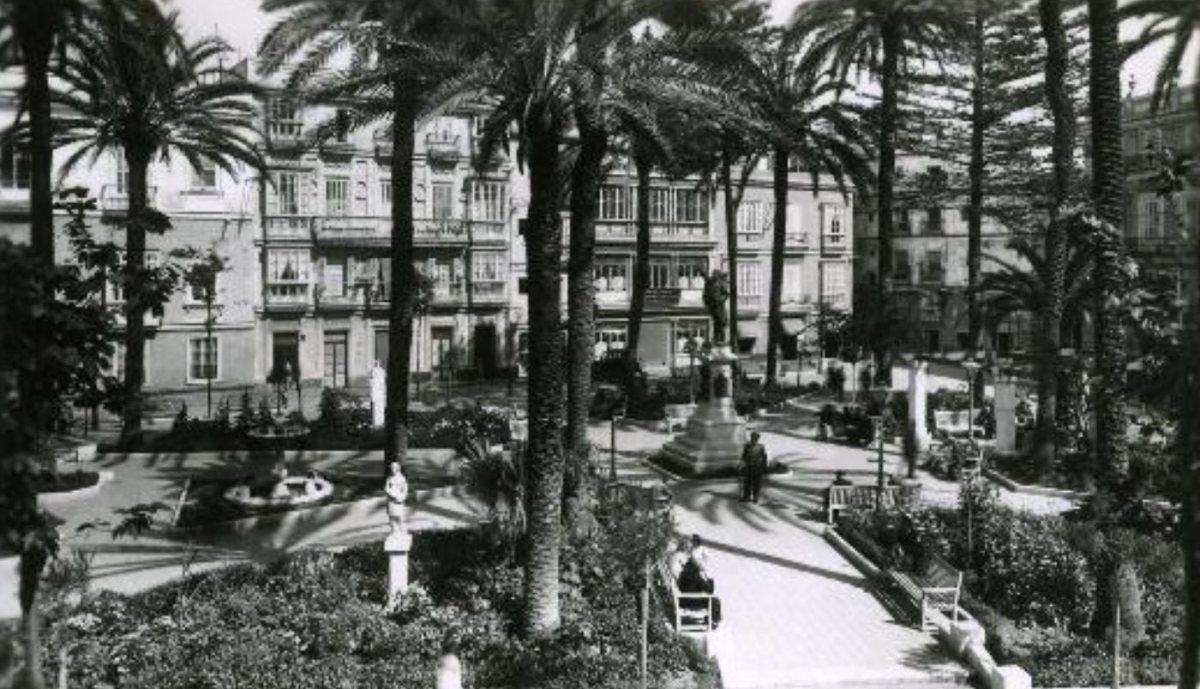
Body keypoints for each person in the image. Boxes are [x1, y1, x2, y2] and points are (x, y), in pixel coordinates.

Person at [677, 534, 721, 628]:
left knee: (710, 596)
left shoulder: (685, 568)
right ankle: (714, 621)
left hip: (685, 595)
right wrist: (710, 582)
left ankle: (712, 618)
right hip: (689, 600)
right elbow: (708, 589)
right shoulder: (691, 571)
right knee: (715, 601)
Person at [740, 431, 768, 503]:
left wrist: (763, 467)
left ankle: (756, 497)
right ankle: (746, 496)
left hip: (757, 467)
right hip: (748, 467)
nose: (754, 439)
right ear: (751, 438)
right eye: (753, 438)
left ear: (758, 439)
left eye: (756, 438)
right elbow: (744, 456)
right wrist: (742, 465)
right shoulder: (747, 446)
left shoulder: (761, 447)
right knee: (747, 483)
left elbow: (764, 457)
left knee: (756, 484)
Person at [385, 461, 408, 534]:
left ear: (398, 469)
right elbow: (386, 488)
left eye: (394, 468)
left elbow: (405, 489)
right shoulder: (389, 478)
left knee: (400, 517)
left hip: (398, 500)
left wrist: (401, 497)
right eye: (391, 468)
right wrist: (389, 492)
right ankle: (394, 532)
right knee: (391, 517)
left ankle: (403, 533)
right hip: (390, 500)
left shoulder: (402, 478)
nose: (392, 469)